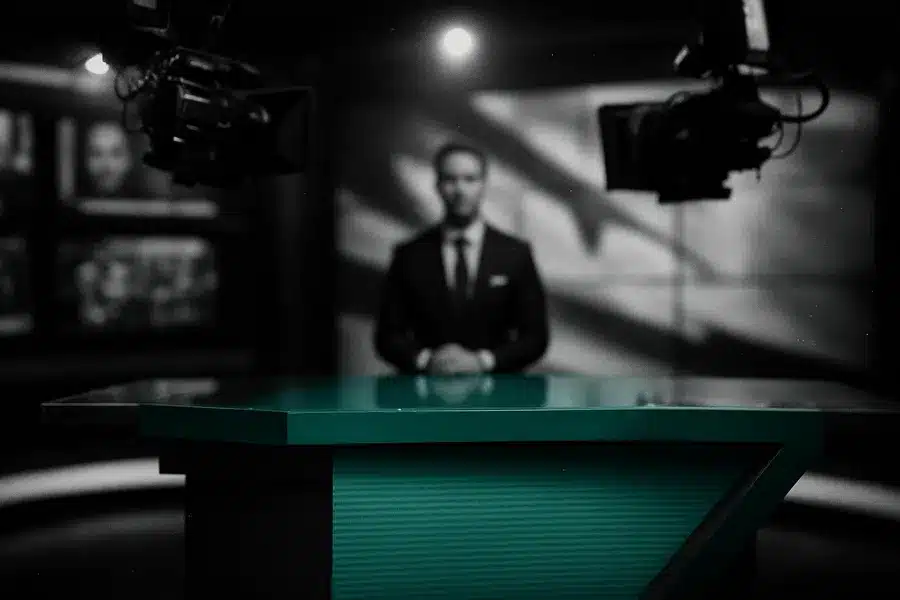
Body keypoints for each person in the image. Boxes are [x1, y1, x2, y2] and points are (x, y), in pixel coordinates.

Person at [375, 142, 549, 374]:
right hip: (427, 387)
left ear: (483, 185)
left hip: (498, 389)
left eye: (470, 179)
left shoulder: (515, 254)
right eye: (450, 179)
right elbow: (387, 337)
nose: (460, 190)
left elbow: (536, 338)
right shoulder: (409, 255)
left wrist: (483, 361)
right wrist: (427, 360)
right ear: (437, 185)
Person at [82, 121, 136, 197]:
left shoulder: (147, 202)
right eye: (97, 154)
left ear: (129, 160)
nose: (106, 166)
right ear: (85, 159)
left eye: (116, 154)